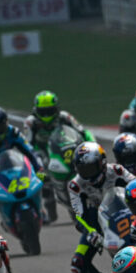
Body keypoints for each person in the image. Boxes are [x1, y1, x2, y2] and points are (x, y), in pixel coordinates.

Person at [66, 141, 136, 273]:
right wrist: (90, 232)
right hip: (96, 224)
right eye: (83, 170)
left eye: (91, 168)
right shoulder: (75, 185)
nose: (87, 174)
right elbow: (78, 215)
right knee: (78, 265)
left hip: (127, 214)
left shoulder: (117, 171)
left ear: (102, 162)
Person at [23, 90, 94, 223]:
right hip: (43, 154)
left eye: (49, 111)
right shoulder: (30, 123)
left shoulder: (64, 117)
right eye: (43, 112)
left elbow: (83, 132)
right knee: (43, 179)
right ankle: (50, 211)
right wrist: (35, 165)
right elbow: (28, 146)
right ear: (36, 110)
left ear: (56, 109)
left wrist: (92, 145)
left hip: (64, 150)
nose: (46, 115)